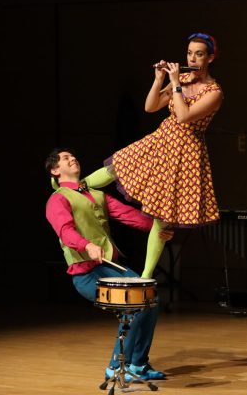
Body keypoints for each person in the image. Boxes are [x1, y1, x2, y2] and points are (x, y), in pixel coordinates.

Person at [83, 32, 223, 279]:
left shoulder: (214, 92)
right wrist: (159, 80)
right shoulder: (184, 77)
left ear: (210, 58)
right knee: (120, 164)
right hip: (162, 141)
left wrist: (177, 83)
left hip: (186, 155)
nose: (192, 58)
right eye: (189, 53)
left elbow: (184, 116)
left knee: (163, 217)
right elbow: (150, 107)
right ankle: (74, 189)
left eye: (199, 54)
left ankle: (145, 278)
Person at [44, 147, 172, 381]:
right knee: (133, 306)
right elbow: (65, 231)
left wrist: (158, 226)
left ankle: (137, 365)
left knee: (150, 299)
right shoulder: (58, 199)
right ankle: (115, 366)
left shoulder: (97, 194)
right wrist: (86, 245)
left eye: (73, 155)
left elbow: (129, 216)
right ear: (55, 170)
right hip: (86, 273)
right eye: (65, 158)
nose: (72, 158)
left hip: (109, 267)